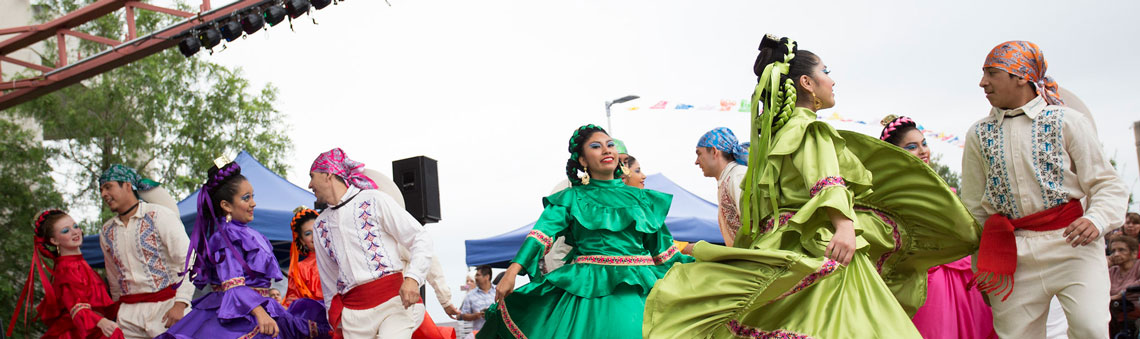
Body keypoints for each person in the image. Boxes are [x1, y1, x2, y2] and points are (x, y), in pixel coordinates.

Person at [643, 35, 980, 338]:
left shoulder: (770, 140)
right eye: (826, 71)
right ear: (807, 82)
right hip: (822, 246)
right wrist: (845, 225)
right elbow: (825, 181)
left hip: (781, 244)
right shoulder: (809, 128)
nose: (832, 80)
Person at [961, 40, 1130, 339]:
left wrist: (1097, 219)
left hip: (1073, 246)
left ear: (1021, 76)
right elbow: (974, 208)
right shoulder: (978, 134)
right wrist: (982, 266)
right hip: (1012, 254)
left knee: (1091, 329)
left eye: (991, 73)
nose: (982, 82)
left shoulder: (1067, 122)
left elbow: (1107, 183)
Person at [475, 124, 693, 338]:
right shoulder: (571, 198)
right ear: (582, 160)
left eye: (610, 145)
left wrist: (708, 264)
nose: (607, 149)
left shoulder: (643, 200)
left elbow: (666, 254)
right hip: (588, 289)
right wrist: (512, 271)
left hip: (640, 289)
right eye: (596, 146)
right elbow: (540, 234)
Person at [158, 161, 330, 339]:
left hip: (260, 309)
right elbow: (233, 285)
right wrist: (260, 313)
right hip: (241, 315)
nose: (253, 203)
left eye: (252, 196)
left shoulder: (252, 234)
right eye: (246, 198)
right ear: (226, 205)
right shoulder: (224, 237)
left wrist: (268, 299)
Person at [880, 115, 997, 339]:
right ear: (894, 154)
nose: (923, 150)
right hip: (927, 281)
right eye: (912, 147)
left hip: (961, 277)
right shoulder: (892, 194)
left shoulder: (937, 185)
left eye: (924, 143)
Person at [308, 148, 434, 338]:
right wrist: (337, 318)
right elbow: (328, 280)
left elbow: (420, 238)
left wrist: (413, 278)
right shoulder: (320, 225)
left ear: (328, 175)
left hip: (393, 303)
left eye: (312, 176)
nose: (310, 184)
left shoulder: (374, 200)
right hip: (354, 316)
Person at [97, 164, 194, 338]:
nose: (104, 194)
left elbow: (189, 260)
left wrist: (181, 303)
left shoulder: (159, 215)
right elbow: (113, 278)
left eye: (108, 187)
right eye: (101, 189)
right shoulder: (107, 231)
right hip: (128, 317)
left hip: (168, 308)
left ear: (127, 185)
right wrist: (117, 310)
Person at [7, 209, 125, 339]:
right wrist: (101, 322)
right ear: (54, 241)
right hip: (78, 332)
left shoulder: (79, 264)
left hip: (90, 328)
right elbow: (77, 308)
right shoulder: (68, 268)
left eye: (75, 226)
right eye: (65, 230)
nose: (74, 231)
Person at [694, 127, 749, 246]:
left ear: (714, 151)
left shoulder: (738, 175)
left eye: (699, 154)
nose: (696, 161)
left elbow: (753, 226)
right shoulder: (728, 178)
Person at [285, 207, 323, 307]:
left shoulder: (339, 258)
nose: (314, 235)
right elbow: (293, 300)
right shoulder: (299, 269)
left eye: (316, 229)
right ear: (302, 240)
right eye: (308, 233)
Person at [457, 265, 495, 333]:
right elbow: (463, 315)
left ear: (487, 277)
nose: (475, 278)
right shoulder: (470, 295)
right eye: (467, 281)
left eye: (478, 275)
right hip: (480, 333)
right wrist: (476, 315)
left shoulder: (498, 291)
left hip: (498, 334)